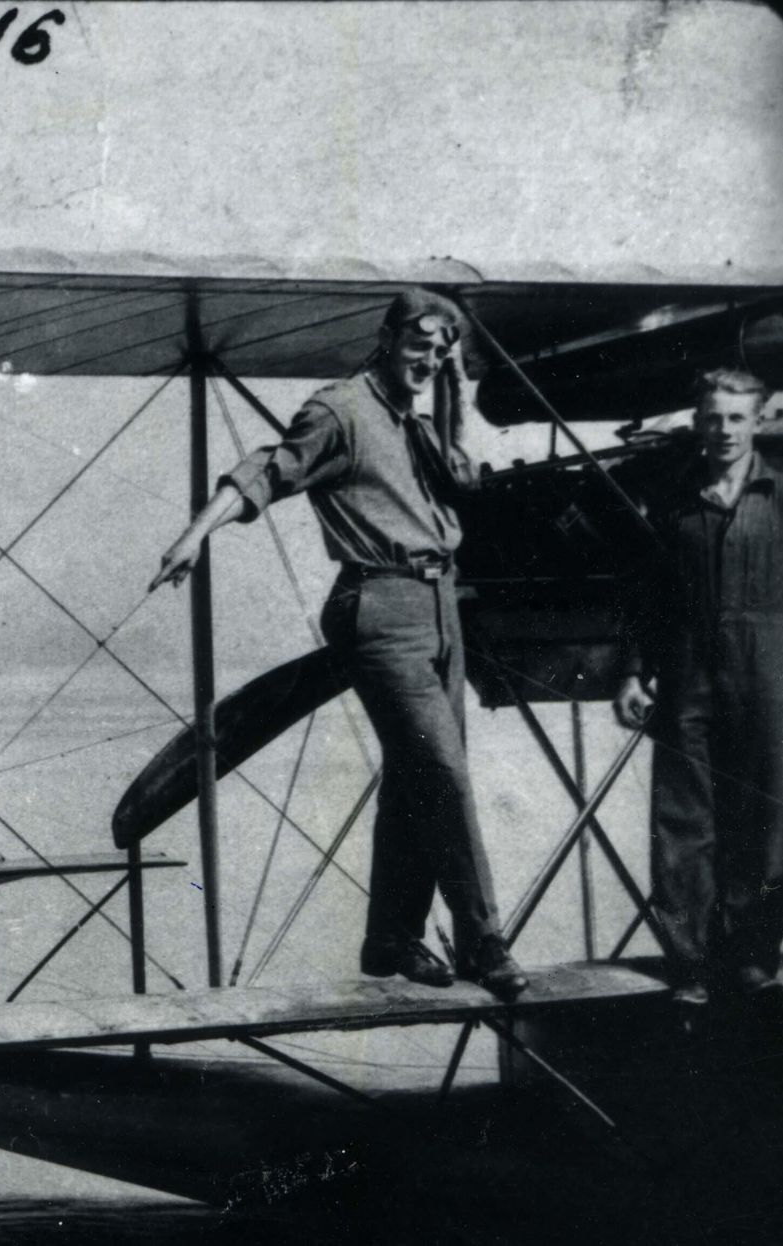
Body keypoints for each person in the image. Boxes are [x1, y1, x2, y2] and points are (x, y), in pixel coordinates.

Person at [150, 288, 527, 999]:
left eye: (441, 353)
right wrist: (195, 534)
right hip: (379, 605)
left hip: (440, 606)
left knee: (419, 772)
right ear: (386, 338)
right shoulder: (342, 411)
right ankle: (485, 940)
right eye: (418, 346)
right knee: (444, 774)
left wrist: (450, 391)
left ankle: (391, 937)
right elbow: (268, 467)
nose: (428, 361)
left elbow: (463, 479)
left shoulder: (416, 423)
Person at [613, 368, 783, 1006]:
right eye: (713, 417)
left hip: (765, 669)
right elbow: (646, 595)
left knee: (765, 816)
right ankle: (691, 962)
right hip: (687, 669)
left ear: (758, 422)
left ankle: (752, 958)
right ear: (698, 422)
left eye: (736, 418)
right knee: (683, 819)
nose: (724, 430)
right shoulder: (671, 502)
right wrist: (632, 672)